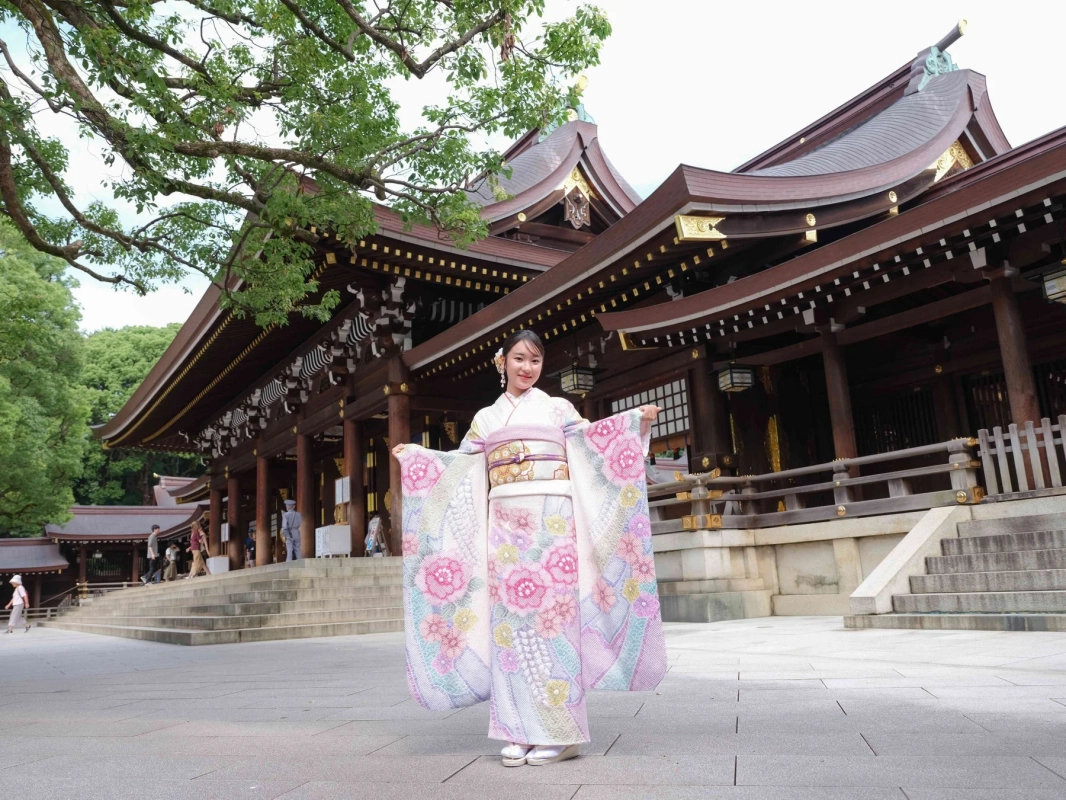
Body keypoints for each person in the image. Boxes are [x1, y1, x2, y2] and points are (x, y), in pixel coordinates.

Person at [393, 330, 666, 767]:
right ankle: (517, 727)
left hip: (552, 525)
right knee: (510, 628)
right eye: (519, 359)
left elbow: (593, 445)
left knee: (552, 624)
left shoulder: (557, 409)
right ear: (502, 361)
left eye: (535, 361)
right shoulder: (486, 418)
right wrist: (419, 458)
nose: (527, 368)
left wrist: (637, 423)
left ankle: (563, 732)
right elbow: (460, 468)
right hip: (503, 528)